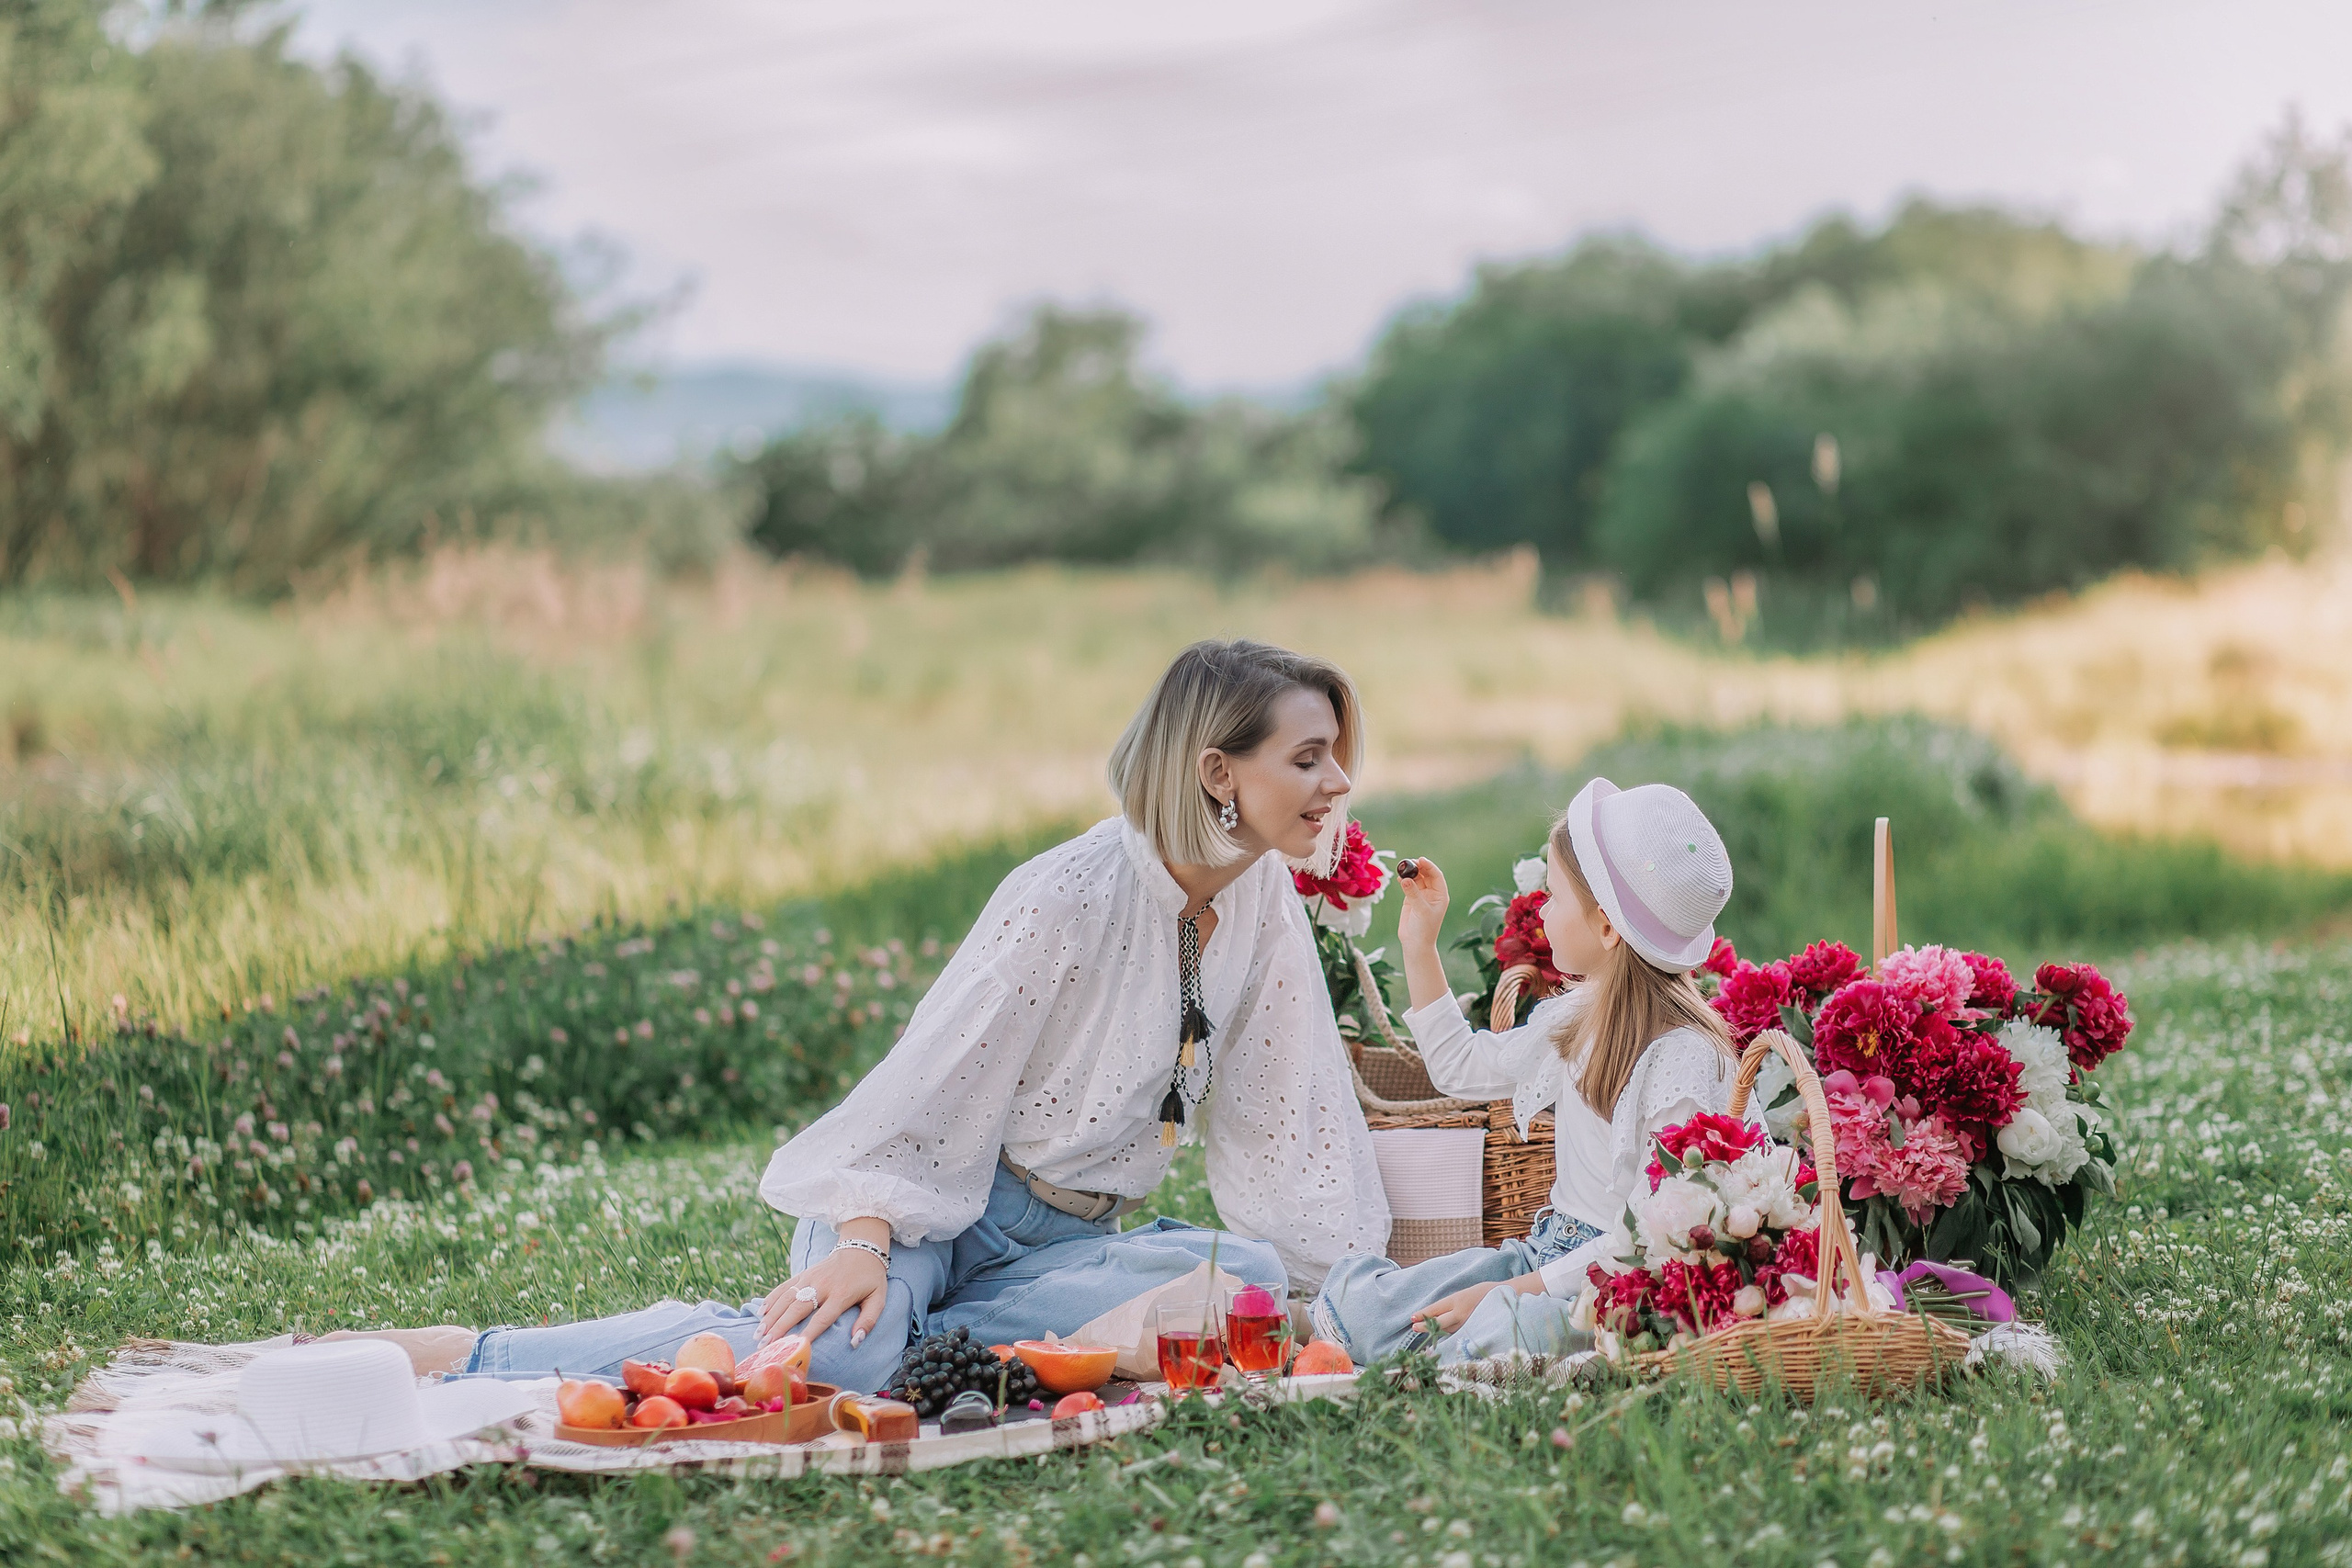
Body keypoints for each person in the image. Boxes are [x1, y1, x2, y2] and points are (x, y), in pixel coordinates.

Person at [346, 640, 1391, 1392]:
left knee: (1240, 1279)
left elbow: (1282, 1106)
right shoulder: (1065, 895)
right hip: (932, 1207)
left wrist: (1330, 1281)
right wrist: (862, 1240)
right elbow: (927, 1087)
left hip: (1067, 1245)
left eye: (1333, 755)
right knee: (845, 1355)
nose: (1337, 782)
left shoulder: (1259, 898)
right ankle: (470, 1356)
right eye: (1307, 759)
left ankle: (923, 1343)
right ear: (1217, 770)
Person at [1310, 777, 1738, 1366]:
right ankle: (1409, 1346)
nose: (1542, 909)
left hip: (1608, 1288)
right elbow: (1458, 1067)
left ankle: (1442, 1365)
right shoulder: (1572, 1017)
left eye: (1555, 898)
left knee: (1511, 1330)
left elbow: (1651, 1241)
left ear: (1608, 930)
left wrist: (1509, 1292)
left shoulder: (1684, 1065)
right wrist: (1420, 943)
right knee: (1378, 1304)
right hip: (1541, 1256)